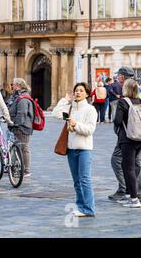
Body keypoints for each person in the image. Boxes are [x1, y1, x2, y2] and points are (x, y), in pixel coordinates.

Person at [52, 82, 97, 217]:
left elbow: (90, 130)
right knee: (76, 180)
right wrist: (65, 99)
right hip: (71, 148)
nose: (78, 93)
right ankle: (80, 206)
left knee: (85, 179)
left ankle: (89, 208)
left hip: (84, 149)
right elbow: (55, 113)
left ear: (87, 94)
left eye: (81, 91)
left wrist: (75, 124)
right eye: (76, 90)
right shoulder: (71, 108)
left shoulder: (90, 110)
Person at [108, 66, 140, 201]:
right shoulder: (137, 93)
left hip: (126, 136)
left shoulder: (124, 97)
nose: (117, 78)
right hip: (138, 134)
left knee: (117, 160)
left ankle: (126, 189)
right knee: (136, 162)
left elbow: (118, 121)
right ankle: (135, 190)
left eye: (119, 76)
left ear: (122, 77)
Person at [8, 78, 34, 178]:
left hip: (22, 127)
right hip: (19, 126)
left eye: (13, 84)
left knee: (24, 148)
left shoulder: (23, 98)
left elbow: (22, 113)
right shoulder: (17, 96)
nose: (12, 86)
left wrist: (15, 124)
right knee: (20, 147)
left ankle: (26, 170)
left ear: (18, 85)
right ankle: (18, 167)